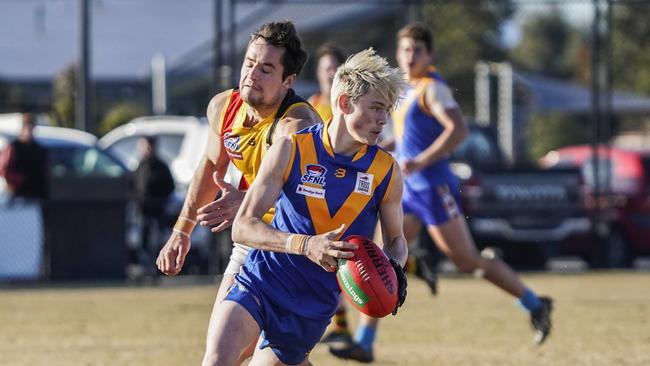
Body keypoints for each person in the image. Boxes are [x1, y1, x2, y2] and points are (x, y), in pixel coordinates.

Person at [330, 22, 554, 363]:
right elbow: (409, 140)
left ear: (429, 54)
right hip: (407, 191)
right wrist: (396, 148)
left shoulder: (433, 89)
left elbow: (458, 130)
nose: (409, 56)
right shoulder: (409, 89)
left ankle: (535, 303)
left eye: (416, 50)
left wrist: (420, 161)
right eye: (404, 49)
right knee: (378, 259)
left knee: (466, 261)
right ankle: (365, 341)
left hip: (433, 188)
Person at [206, 48, 408, 366]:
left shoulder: (386, 171)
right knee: (217, 360)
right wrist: (305, 245)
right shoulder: (292, 149)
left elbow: (396, 240)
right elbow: (243, 226)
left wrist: (393, 268)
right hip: (262, 281)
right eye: (377, 108)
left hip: (310, 307)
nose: (384, 119)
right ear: (344, 103)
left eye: (388, 110)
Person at [155, 21, 322, 365]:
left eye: (266, 69)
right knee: (219, 357)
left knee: (269, 359)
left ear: (288, 81)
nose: (252, 74)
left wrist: (246, 202)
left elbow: (308, 196)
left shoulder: (297, 125)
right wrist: (181, 231)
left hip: (297, 251)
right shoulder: (223, 107)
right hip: (252, 241)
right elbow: (210, 165)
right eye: (249, 63)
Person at [133, 136, 175, 272]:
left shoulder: (162, 167)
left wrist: (159, 201)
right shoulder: (141, 166)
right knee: (143, 242)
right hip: (143, 211)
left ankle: (156, 269)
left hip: (158, 211)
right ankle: (145, 268)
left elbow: (170, 187)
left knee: (156, 241)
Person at [0, 113, 48, 201]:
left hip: (36, 194)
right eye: (27, 128)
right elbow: (4, 170)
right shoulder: (13, 148)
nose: (29, 131)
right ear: (22, 129)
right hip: (17, 195)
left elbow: (44, 171)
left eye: (31, 128)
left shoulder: (38, 149)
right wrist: (20, 179)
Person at [308, 42, 346, 122]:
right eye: (328, 69)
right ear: (318, 72)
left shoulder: (348, 105)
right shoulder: (312, 103)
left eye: (336, 69)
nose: (332, 74)